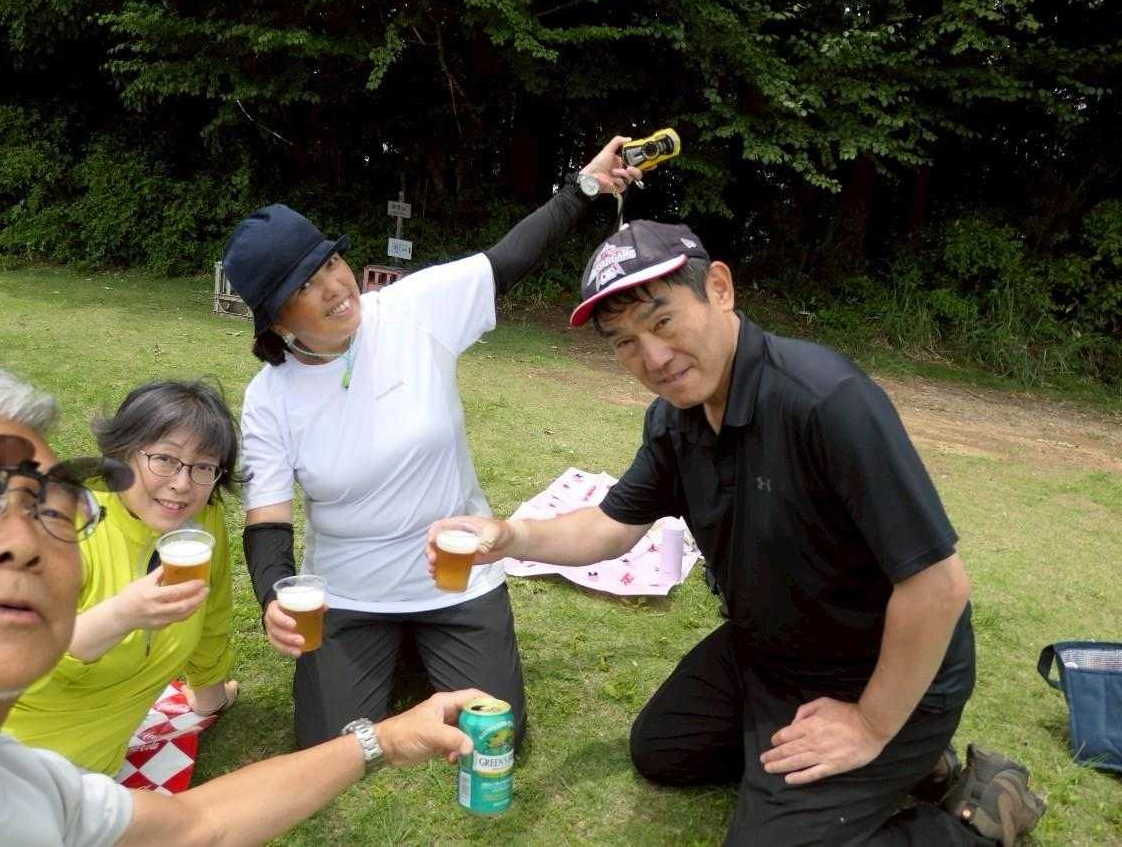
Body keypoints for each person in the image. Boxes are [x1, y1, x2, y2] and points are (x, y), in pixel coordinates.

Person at [426, 222, 1047, 846]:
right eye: (626, 343)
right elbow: (612, 526)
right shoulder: (676, 420)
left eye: (663, 321)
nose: (654, 359)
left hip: (875, 667)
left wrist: (869, 725)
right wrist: (512, 536)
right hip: (770, 652)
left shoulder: (826, 401)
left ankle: (982, 807)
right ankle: (898, 767)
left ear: (719, 289)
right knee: (663, 749)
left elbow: (939, 587)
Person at [0, 364, 488, 846]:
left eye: (49, 511)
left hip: (91, 767)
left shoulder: (40, 795)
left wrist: (387, 737)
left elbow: (198, 825)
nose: (20, 541)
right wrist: (122, 614)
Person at [221, 137, 644, 749]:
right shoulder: (270, 397)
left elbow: (507, 260)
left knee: (496, 735)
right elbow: (267, 520)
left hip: (456, 574)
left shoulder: (412, 310)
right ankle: (393, 647)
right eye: (305, 286)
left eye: (331, 264)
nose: (335, 286)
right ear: (277, 321)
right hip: (349, 592)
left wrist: (583, 187)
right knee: (329, 747)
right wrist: (273, 599)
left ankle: (422, 643)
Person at [3, 380, 241, 775]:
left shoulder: (199, 520)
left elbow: (212, 613)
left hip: (96, 767)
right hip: (4, 760)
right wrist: (119, 617)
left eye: (203, 467)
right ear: (122, 453)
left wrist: (209, 696)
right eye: (164, 459)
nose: (182, 484)